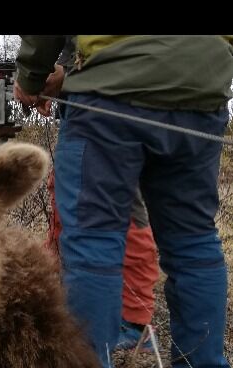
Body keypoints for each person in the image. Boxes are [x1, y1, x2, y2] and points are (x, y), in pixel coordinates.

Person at [14, 35, 233, 368]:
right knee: (194, 241)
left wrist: (30, 80)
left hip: (108, 97)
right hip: (201, 91)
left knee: (92, 240)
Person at [35, 48, 160, 352]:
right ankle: (61, 295)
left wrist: (50, 74)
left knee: (123, 217)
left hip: (113, 111)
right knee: (67, 199)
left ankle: (134, 321)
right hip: (88, 110)